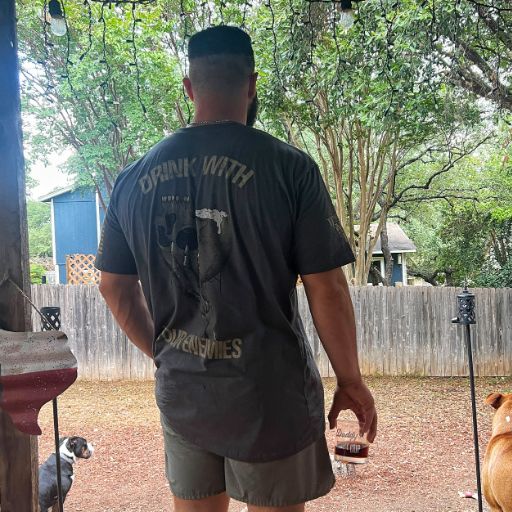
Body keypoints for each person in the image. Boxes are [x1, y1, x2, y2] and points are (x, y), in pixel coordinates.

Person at [95, 25, 377, 512]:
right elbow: (327, 288)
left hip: (185, 394)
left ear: (189, 87)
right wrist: (349, 381)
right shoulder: (291, 170)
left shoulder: (132, 179)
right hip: (269, 396)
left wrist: (165, 353)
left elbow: (113, 287)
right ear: (251, 85)